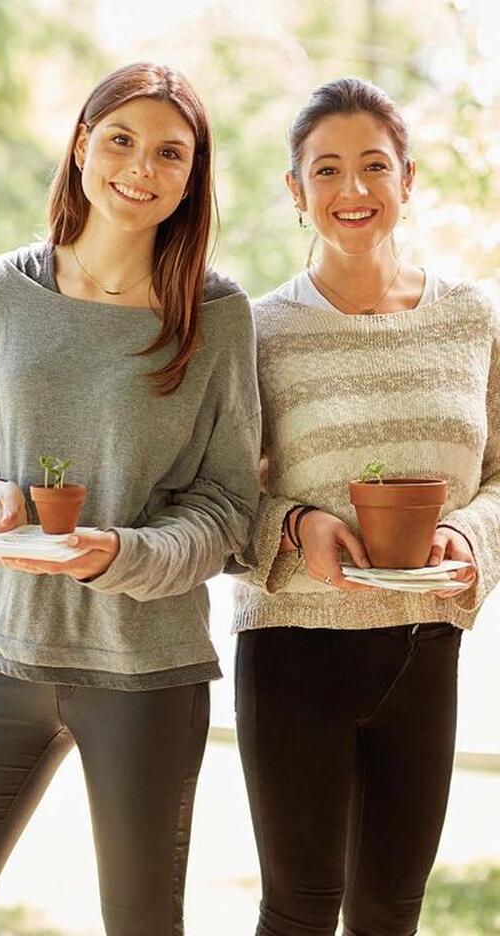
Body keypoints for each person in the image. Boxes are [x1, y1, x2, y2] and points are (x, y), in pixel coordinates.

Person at [0, 62, 261, 936]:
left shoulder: (218, 316)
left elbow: (228, 507)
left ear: (192, 176)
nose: (142, 167)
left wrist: (125, 555)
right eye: (122, 139)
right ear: (83, 144)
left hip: (147, 672)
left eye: (170, 152)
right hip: (0, 659)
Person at [233, 76, 500, 936]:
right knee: (301, 911)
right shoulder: (256, 329)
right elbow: (213, 489)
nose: (353, 191)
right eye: (327, 170)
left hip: (425, 654)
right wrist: (296, 525)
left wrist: (468, 532)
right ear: (296, 191)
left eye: (374, 166)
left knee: (391, 913)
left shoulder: (472, 318)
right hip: (292, 652)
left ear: (408, 181)